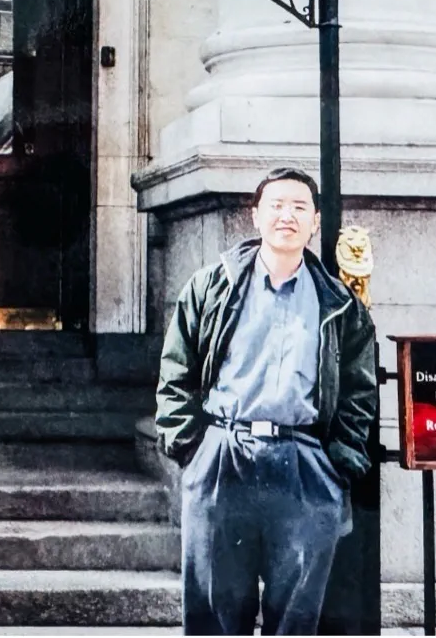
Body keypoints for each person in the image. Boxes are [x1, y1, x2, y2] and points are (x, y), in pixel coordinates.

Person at [155, 167, 378, 636]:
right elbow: (177, 370)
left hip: (303, 464)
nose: (287, 216)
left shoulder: (338, 303)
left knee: (296, 614)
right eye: (276, 206)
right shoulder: (211, 286)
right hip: (223, 456)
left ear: (315, 222)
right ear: (255, 217)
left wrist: (341, 461)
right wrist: (188, 448)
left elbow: (359, 389)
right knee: (215, 610)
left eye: (299, 207)